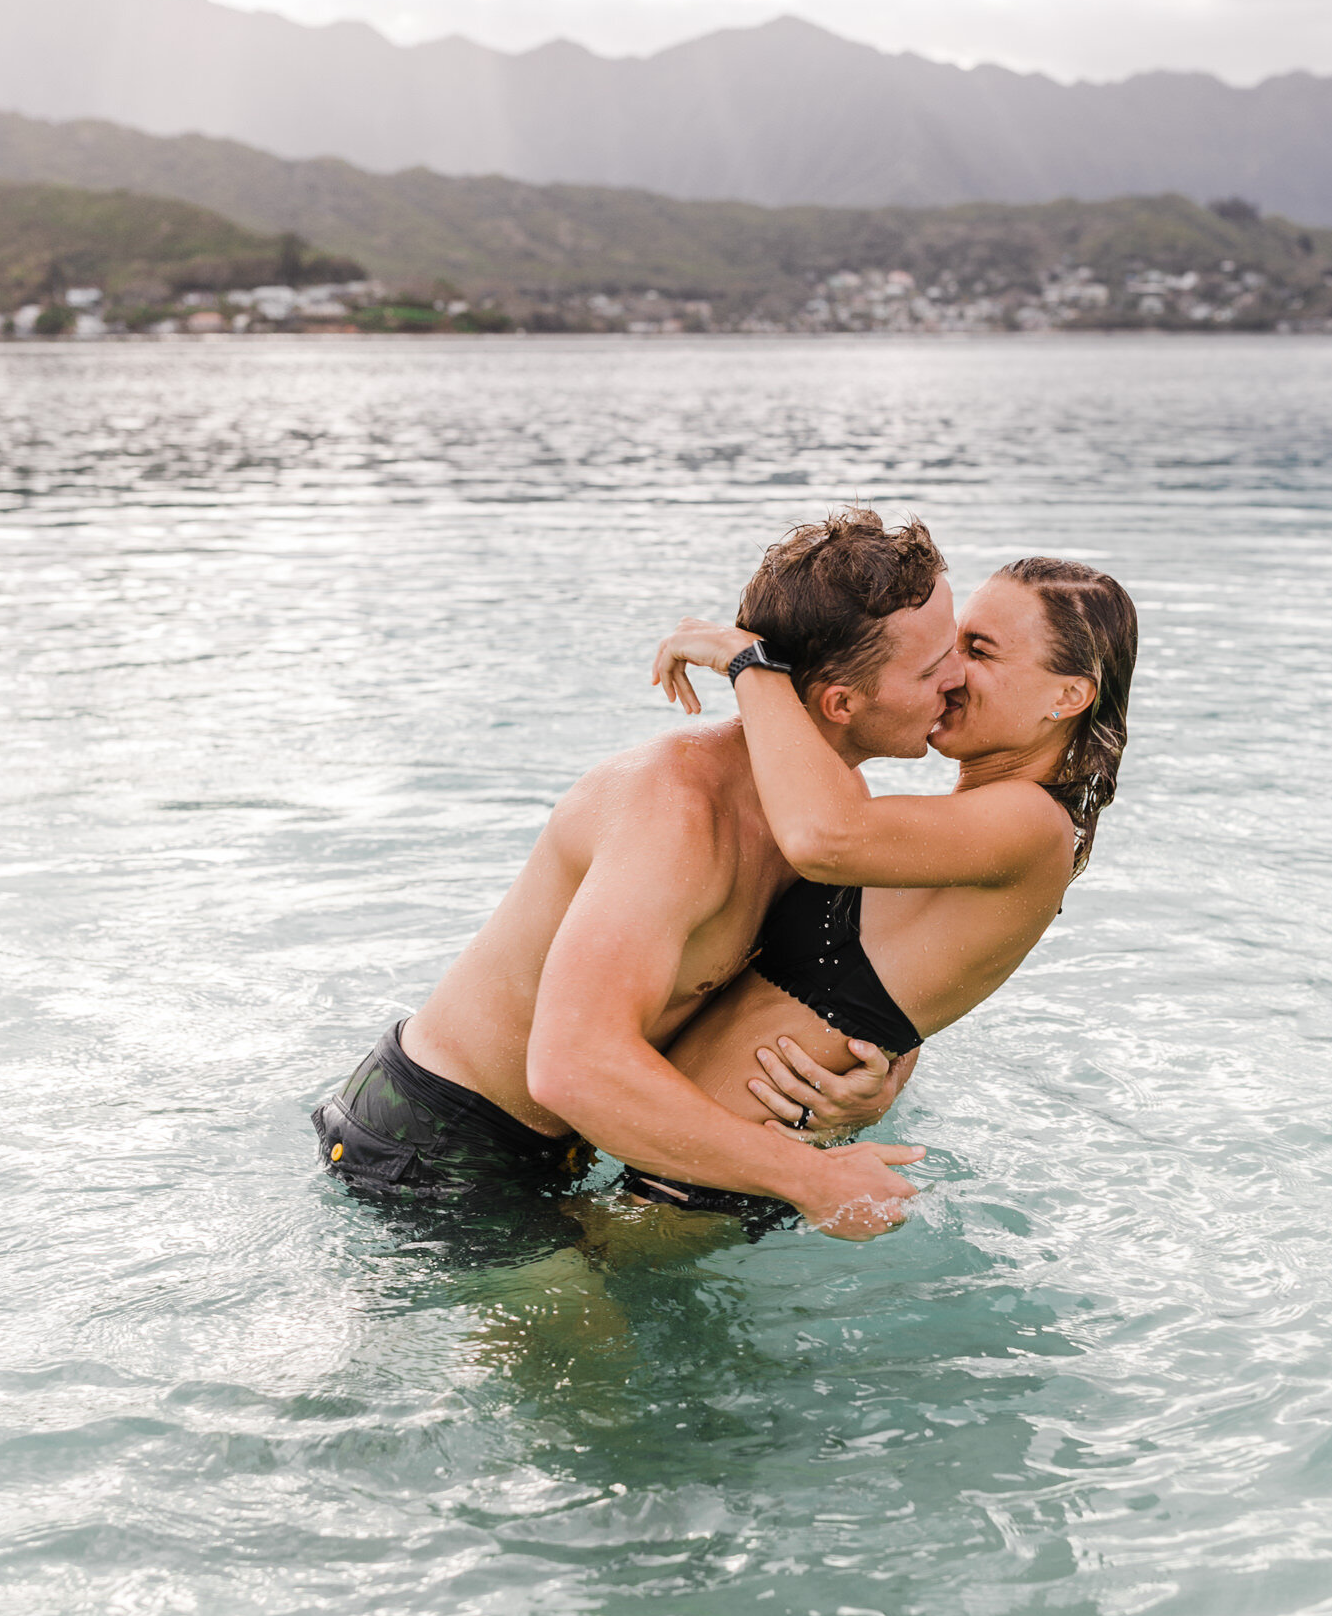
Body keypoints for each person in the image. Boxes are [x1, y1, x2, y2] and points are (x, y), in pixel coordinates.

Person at [312, 510, 966, 1245]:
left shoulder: (833, 814)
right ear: (842, 704)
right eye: (933, 664)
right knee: (605, 1358)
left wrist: (876, 1083)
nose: (961, 677)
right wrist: (811, 1180)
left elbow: (854, 979)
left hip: (569, 1146)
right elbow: (569, 1068)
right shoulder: (674, 815)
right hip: (437, 1144)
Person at [629, 556, 1138, 1224]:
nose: (948, 671)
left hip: (696, 1194)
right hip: (689, 1160)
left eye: (978, 651)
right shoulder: (961, 830)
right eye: (952, 642)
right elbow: (900, 972)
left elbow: (821, 839)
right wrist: (888, 1075)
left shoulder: (1032, 825)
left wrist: (749, 664)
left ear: (1066, 697)